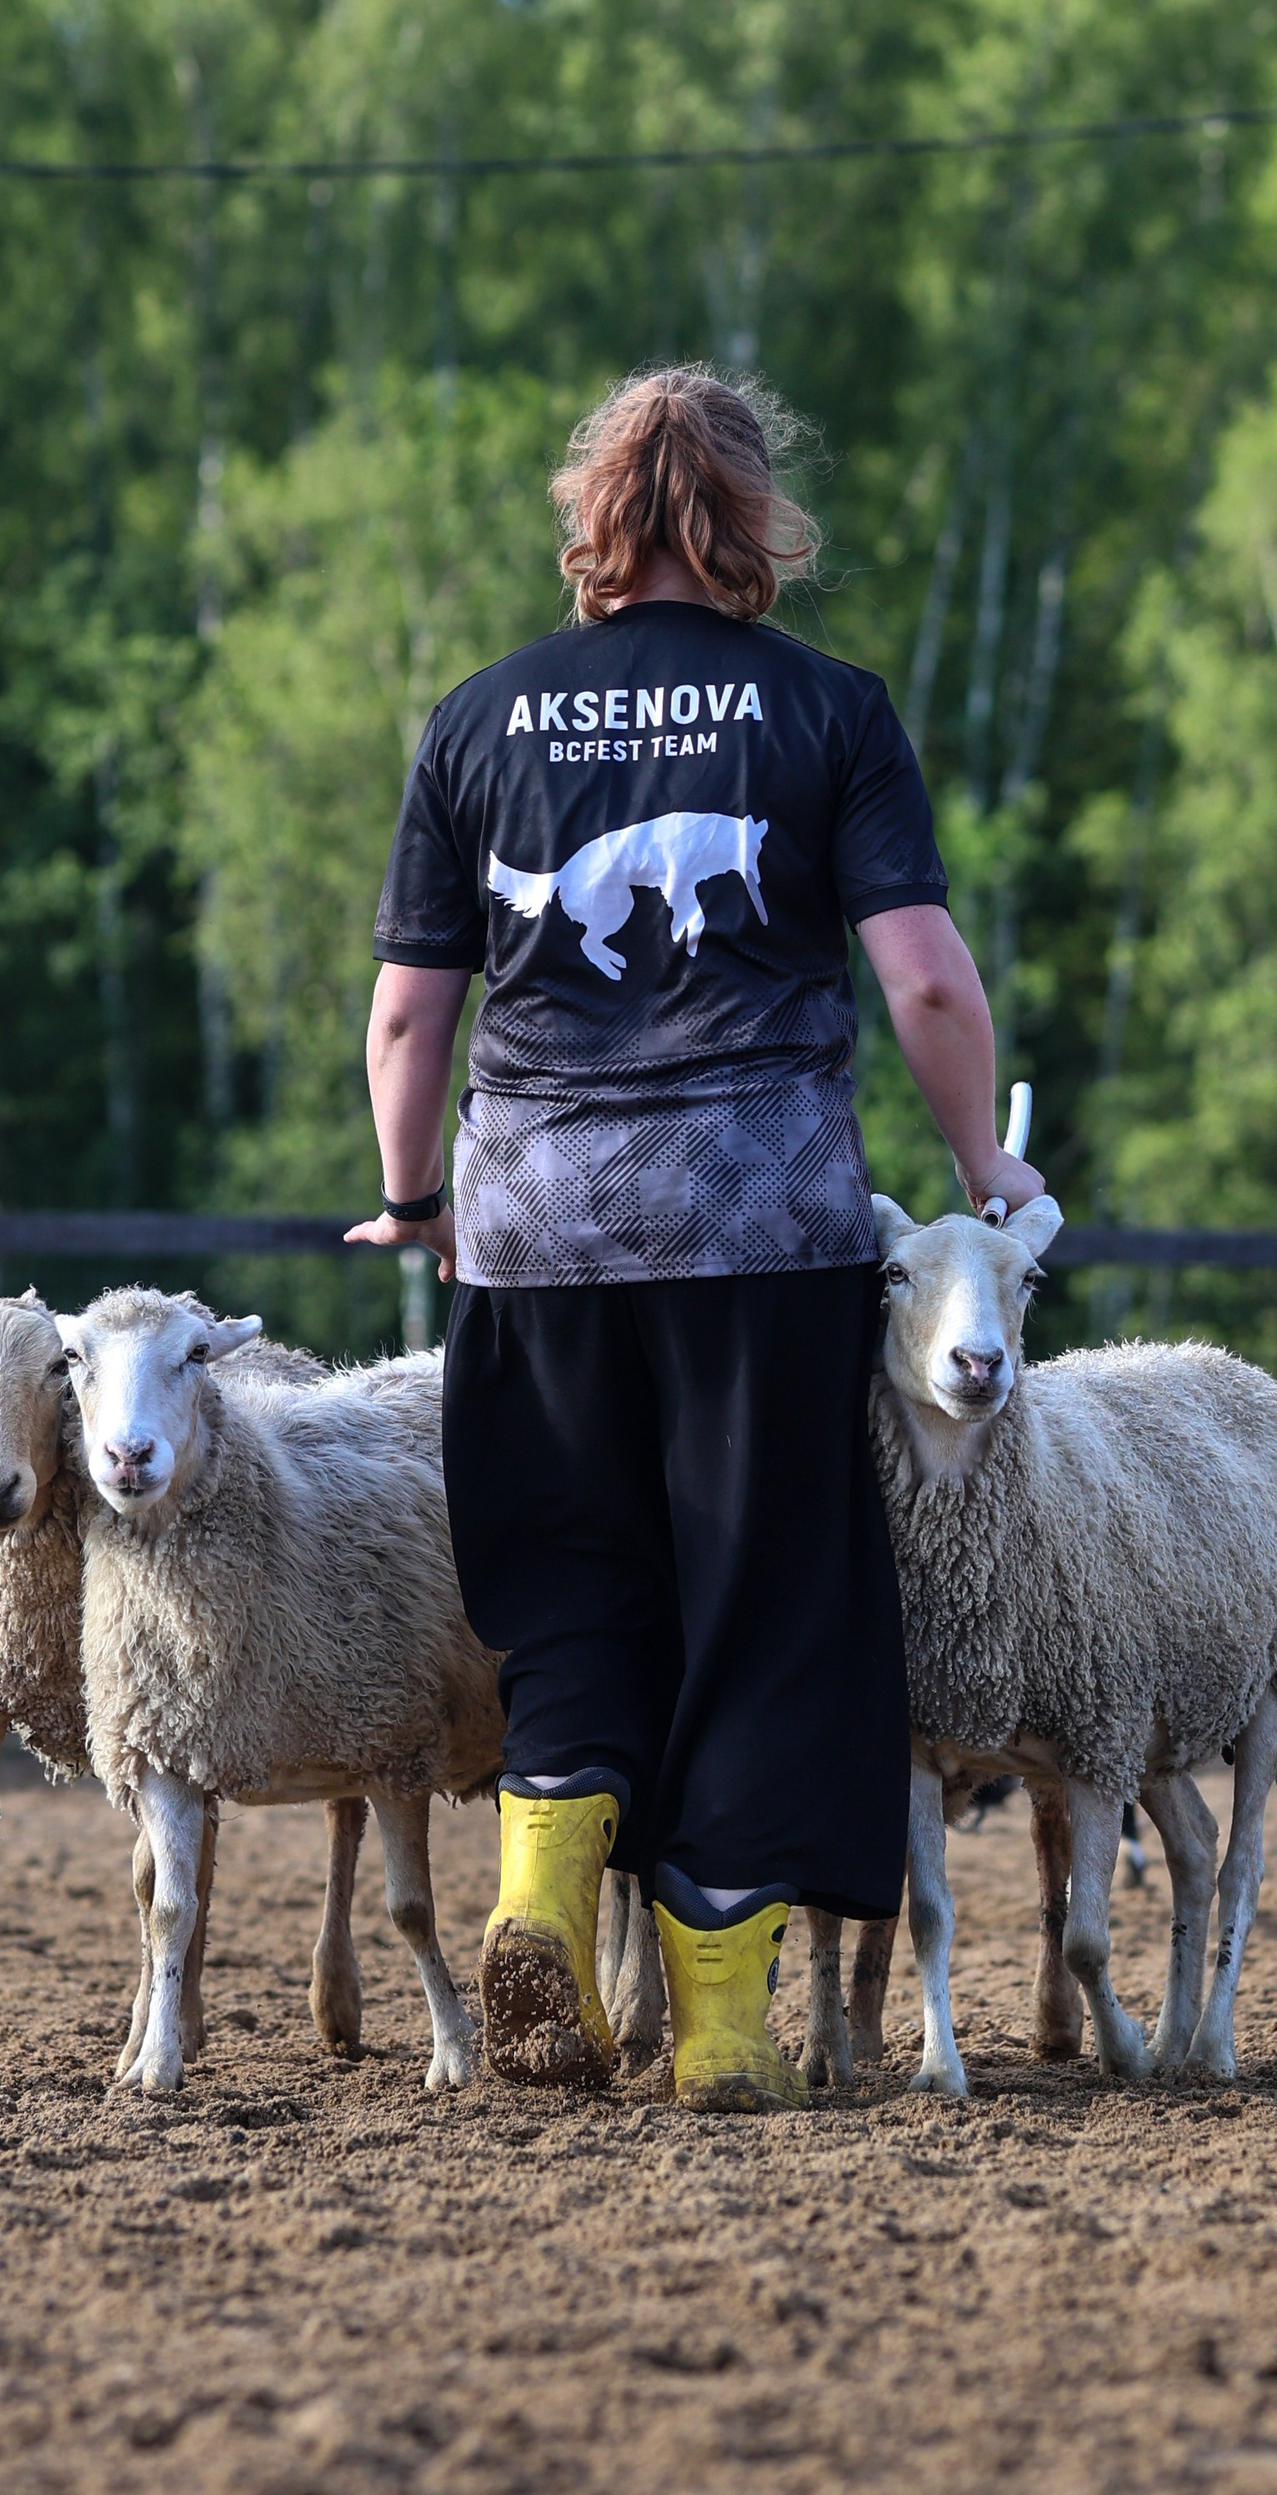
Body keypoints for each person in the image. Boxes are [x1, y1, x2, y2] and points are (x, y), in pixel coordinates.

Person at [347, 363, 1043, 2112]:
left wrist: (419, 1196)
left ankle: (537, 1894)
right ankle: (726, 2029)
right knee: (765, 1606)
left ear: (596, 521)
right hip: (765, 1237)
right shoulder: (830, 711)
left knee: (572, 1591)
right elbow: (930, 978)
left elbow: (408, 1023)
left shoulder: (479, 718)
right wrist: (989, 1170)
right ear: (753, 519)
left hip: (539, 1239)